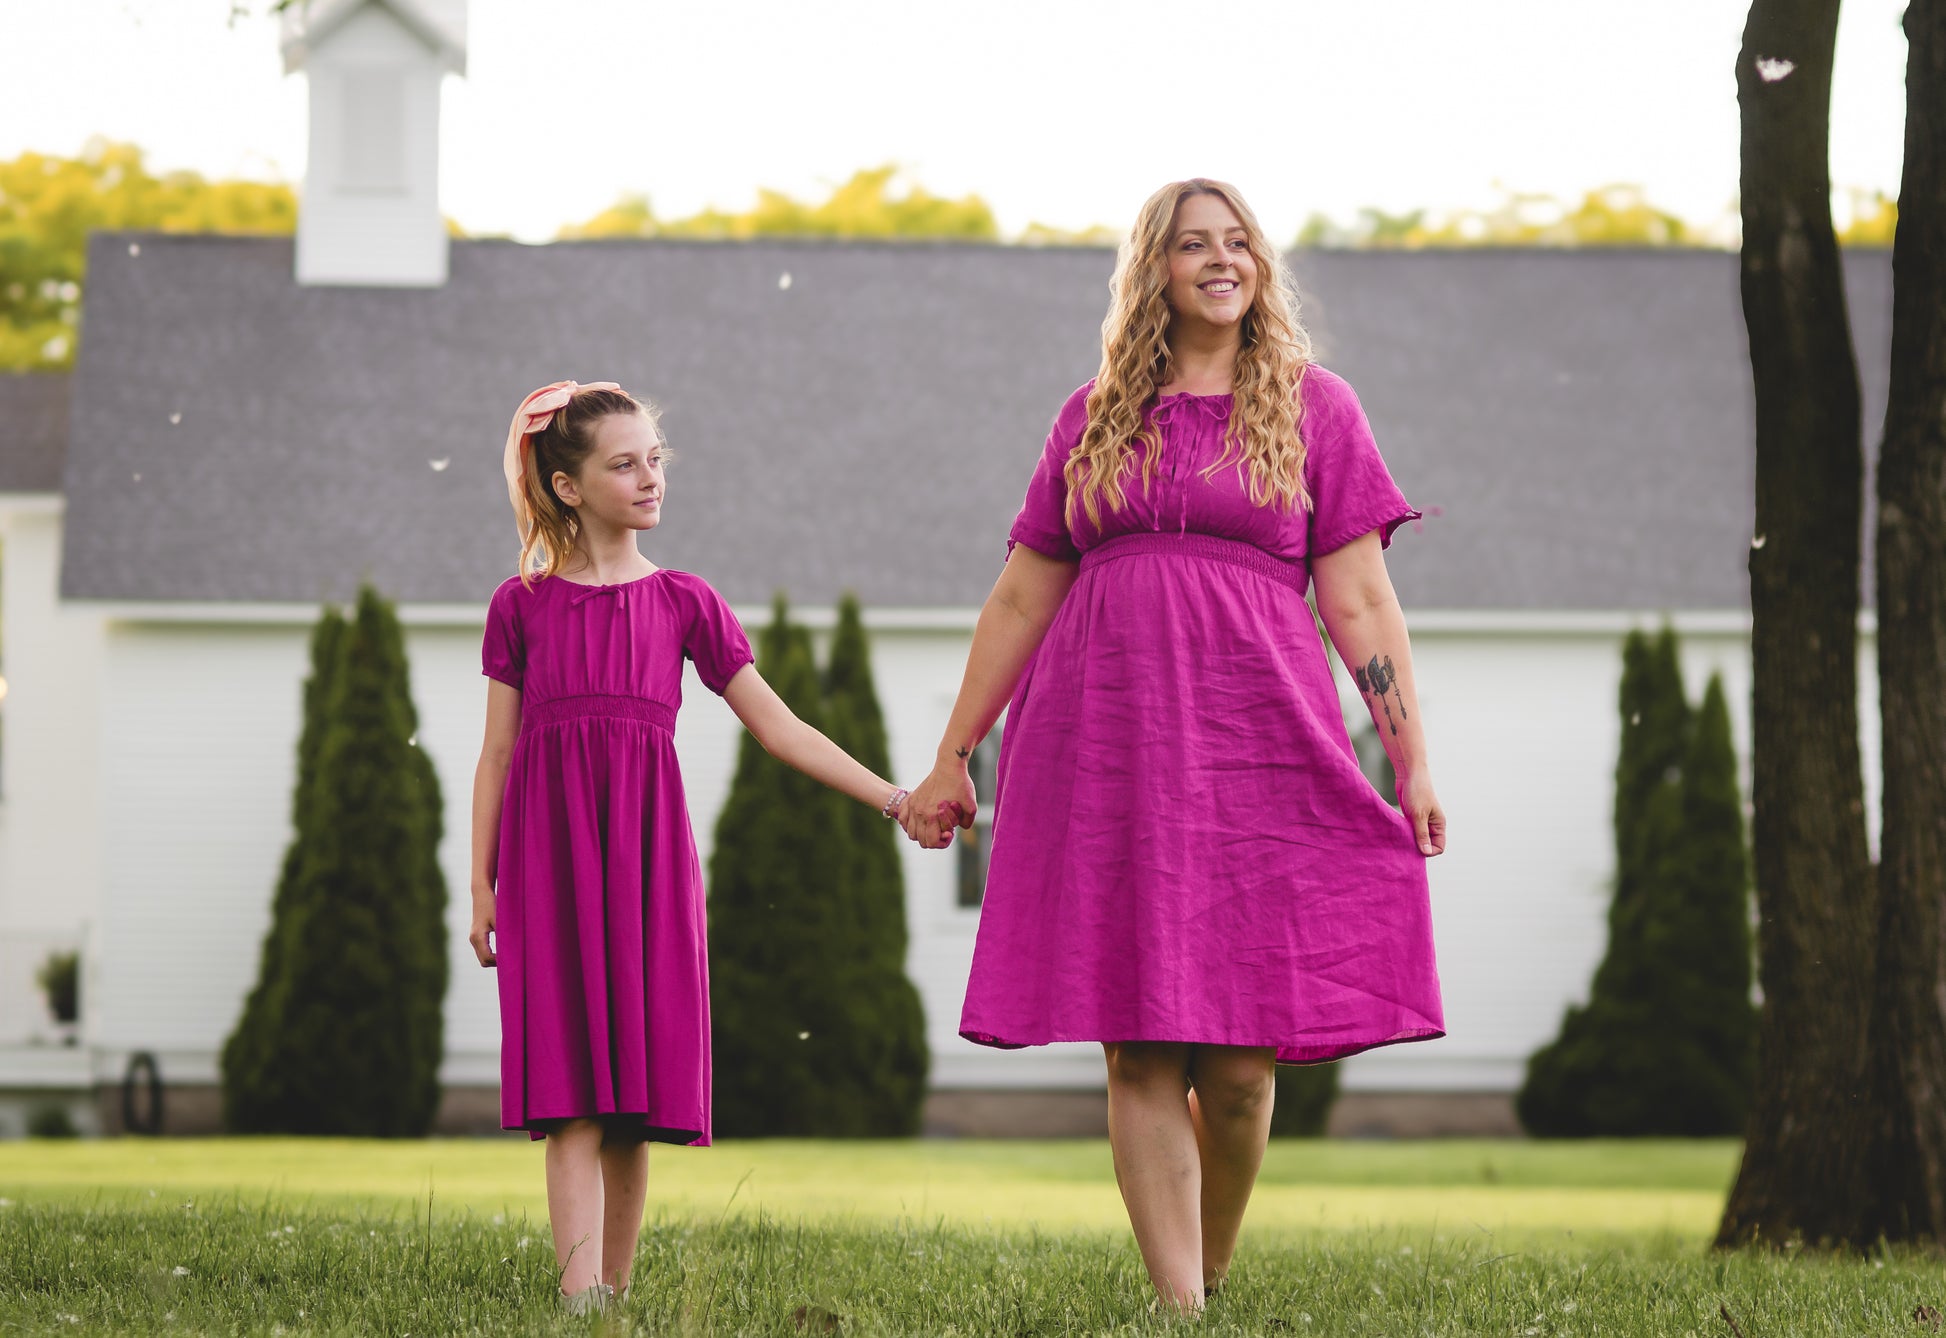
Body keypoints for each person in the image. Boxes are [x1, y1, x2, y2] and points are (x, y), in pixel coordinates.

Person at [902, 180, 1447, 1312]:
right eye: (1192, 244)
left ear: (1258, 266)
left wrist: (1411, 759)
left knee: (1241, 1070)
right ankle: (1178, 1311)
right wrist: (956, 751)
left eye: (1236, 241)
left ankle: (1209, 1264)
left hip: (1257, 748)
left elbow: (1359, 602)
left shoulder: (1313, 408)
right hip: (1103, 747)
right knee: (1140, 1049)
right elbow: (1016, 600)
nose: (1219, 258)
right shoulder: (1096, 412)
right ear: (1154, 270)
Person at [468, 381, 911, 1314]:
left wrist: (893, 797)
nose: (648, 477)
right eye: (623, 464)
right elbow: (498, 753)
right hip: (550, 869)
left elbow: (782, 728)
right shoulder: (523, 606)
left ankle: (614, 1296)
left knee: (630, 1098)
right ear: (568, 486)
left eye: (654, 459)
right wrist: (481, 886)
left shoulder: (685, 602)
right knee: (572, 1094)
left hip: (645, 864)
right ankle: (578, 1295)